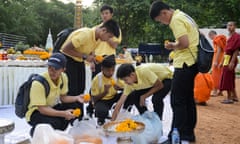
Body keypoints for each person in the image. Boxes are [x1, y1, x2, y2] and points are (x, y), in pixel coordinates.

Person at [150, 1, 199, 142]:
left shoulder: (176, 20)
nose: (162, 23)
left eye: (160, 20)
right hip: (192, 63)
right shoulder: (183, 15)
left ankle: (175, 136)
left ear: (164, 13)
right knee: (187, 99)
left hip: (184, 64)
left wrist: (172, 45)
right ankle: (188, 134)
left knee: (177, 101)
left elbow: (184, 43)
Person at [60, 19, 120, 119]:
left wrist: (93, 58)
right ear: (103, 30)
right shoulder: (85, 34)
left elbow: (90, 50)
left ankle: (79, 115)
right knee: (72, 90)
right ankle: (71, 117)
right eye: (109, 36)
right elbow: (65, 49)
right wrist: (85, 57)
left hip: (79, 61)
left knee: (81, 89)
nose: (108, 39)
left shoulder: (97, 38)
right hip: (69, 60)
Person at [26, 53, 86, 136]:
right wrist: (63, 113)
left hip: (52, 106)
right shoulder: (38, 83)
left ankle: (62, 132)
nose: (52, 71)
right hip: (36, 112)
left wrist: (77, 98)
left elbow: (63, 98)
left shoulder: (63, 77)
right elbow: (42, 109)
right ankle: (36, 131)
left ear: (63, 69)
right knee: (56, 123)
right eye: (50, 67)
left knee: (74, 106)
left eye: (56, 68)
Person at [87, 5, 122, 117]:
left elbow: (115, 44)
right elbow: (90, 46)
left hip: (109, 57)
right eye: (103, 13)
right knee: (95, 83)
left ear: (111, 14)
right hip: (97, 58)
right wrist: (91, 62)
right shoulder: (96, 28)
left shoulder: (116, 29)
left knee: (111, 82)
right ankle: (91, 107)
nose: (105, 15)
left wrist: (107, 35)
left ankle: (108, 105)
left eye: (107, 13)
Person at [90, 55, 124, 125]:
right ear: (102, 69)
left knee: (130, 94)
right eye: (108, 70)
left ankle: (124, 111)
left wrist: (120, 88)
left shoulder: (115, 76)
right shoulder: (97, 79)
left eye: (113, 70)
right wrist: (105, 92)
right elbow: (94, 99)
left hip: (114, 97)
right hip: (102, 100)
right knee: (101, 111)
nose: (111, 73)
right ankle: (101, 120)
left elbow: (127, 88)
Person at [220, 21, 240, 104]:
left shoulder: (237, 36)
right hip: (227, 58)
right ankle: (235, 96)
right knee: (230, 77)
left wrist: (232, 62)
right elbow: (226, 51)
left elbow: (236, 50)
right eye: (228, 25)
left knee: (227, 77)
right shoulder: (230, 36)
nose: (229, 27)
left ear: (235, 26)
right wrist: (222, 61)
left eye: (231, 25)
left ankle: (229, 98)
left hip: (231, 59)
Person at [208, 30, 226, 97]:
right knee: (220, 75)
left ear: (211, 35)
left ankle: (215, 91)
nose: (211, 39)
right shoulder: (220, 39)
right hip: (221, 58)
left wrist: (215, 61)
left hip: (217, 59)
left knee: (215, 75)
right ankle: (220, 91)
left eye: (210, 37)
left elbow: (219, 50)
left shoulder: (217, 39)